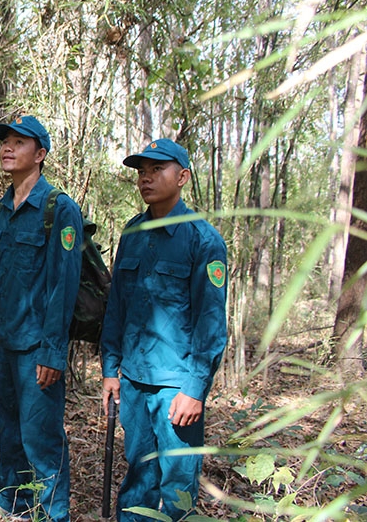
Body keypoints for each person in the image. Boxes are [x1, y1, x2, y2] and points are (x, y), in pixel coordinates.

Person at [100, 139, 228, 521]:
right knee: (139, 474)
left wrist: (194, 389)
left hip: (177, 386)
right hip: (135, 379)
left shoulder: (203, 240)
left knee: (177, 485)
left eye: (158, 169)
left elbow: (211, 322)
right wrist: (110, 368)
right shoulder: (132, 233)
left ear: (183, 176)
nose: (147, 177)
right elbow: (117, 307)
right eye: (142, 171)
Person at [0, 115, 83, 522]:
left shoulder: (59, 209)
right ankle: (12, 501)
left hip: (38, 346)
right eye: (5, 141)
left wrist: (54, 352)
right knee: (10, 429)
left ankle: (53, 513)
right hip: (3, 343)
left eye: (19, 142)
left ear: (39, 155)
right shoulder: (1, 209)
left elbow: (63, 286)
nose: (8, 147)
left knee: (41, 437)